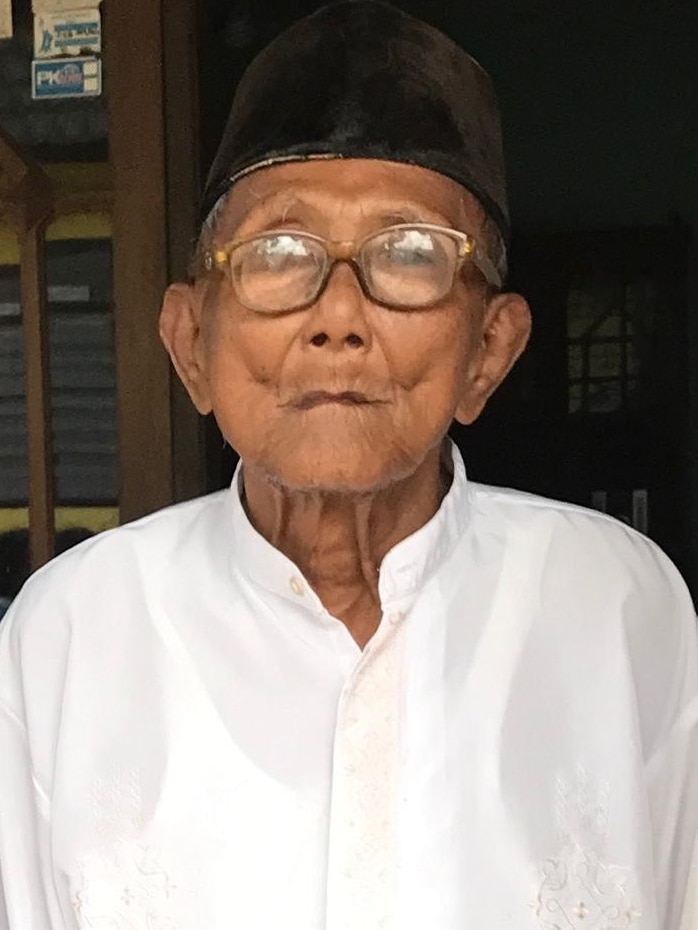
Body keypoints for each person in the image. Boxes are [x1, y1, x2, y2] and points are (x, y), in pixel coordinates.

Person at [1, 2, 697, 928]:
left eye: (410, 254)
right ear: (190, 343)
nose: (338, 315)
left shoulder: (623, 604)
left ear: (488, 350)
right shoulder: (71, 629)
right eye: (278, 253)